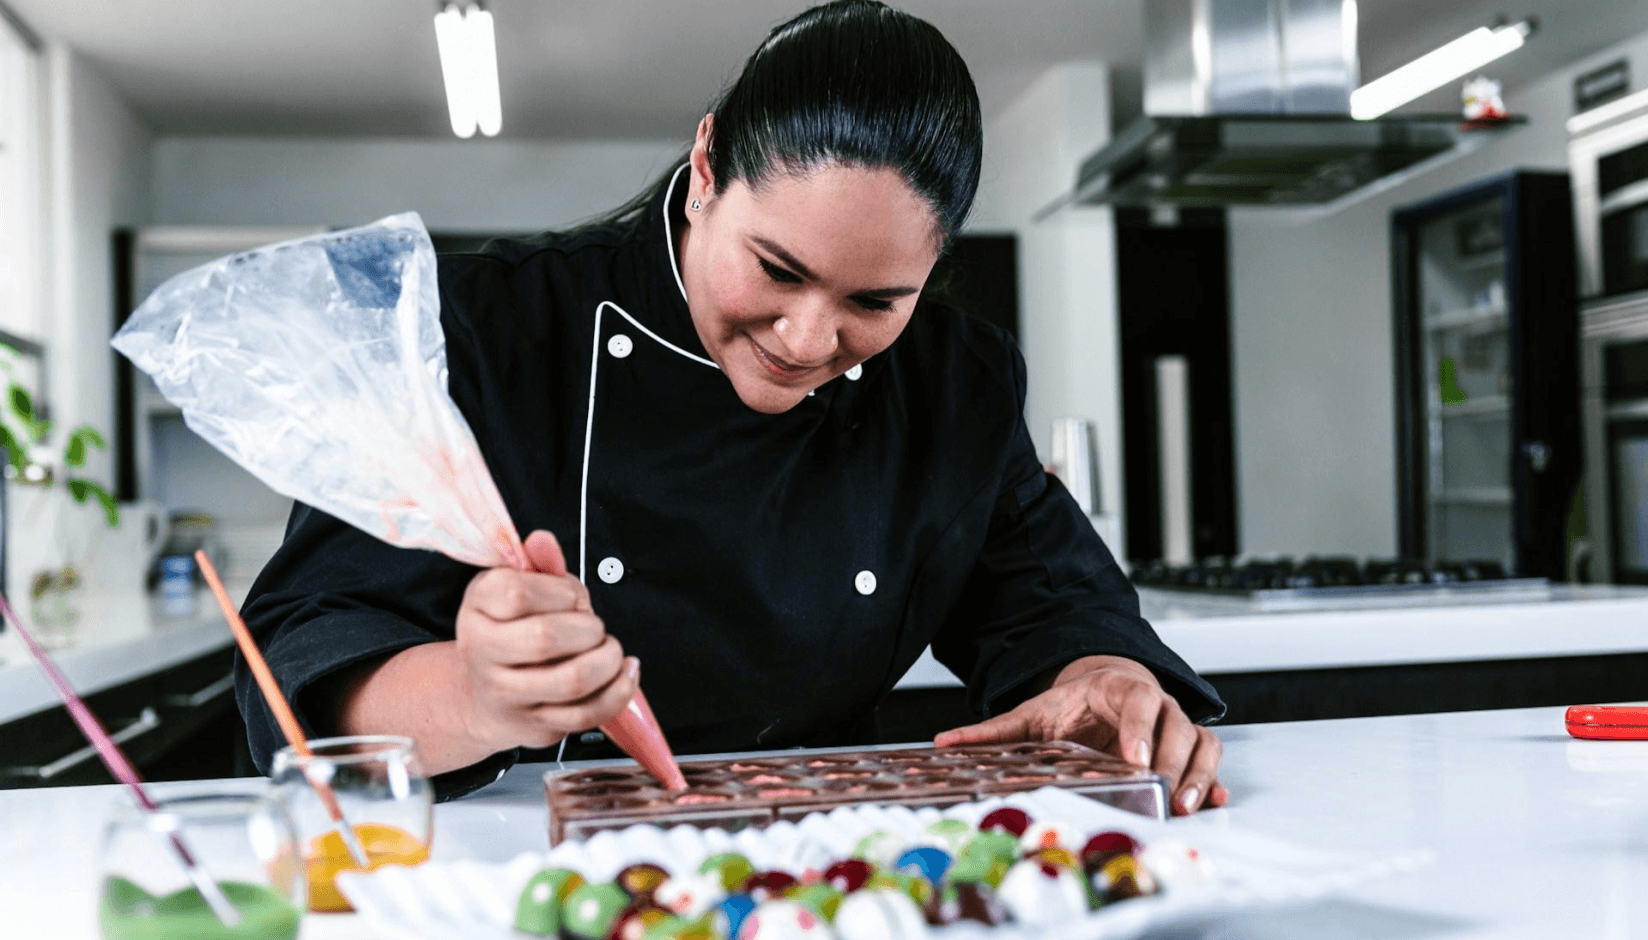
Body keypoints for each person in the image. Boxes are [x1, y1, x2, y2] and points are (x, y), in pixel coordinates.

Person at [238, 0, 1229, 812]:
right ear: (706, 166)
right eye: (776, 268)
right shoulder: (484, 332)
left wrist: (1107, 678)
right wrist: (483, 692)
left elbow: (1049, 600)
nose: (806, 339)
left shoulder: (953, 379)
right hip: (522, 861)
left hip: (831, 853)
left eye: (872, 301)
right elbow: (311, 660)